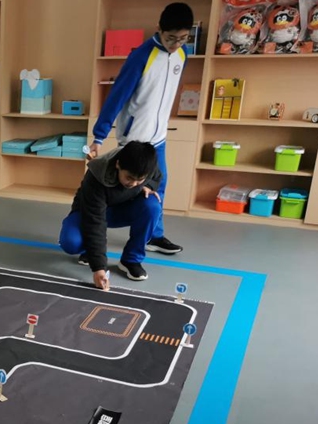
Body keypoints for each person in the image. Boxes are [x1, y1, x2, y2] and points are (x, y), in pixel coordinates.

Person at [88, 2, 194, 256]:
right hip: (134, 138)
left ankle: (152, 235)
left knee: (161, 183)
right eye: (171, 38)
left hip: (158, 137)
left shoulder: (182, 54)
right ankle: (95, 231)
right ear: (158, 29)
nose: (176, 44)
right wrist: (99, 135)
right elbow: (117, 96)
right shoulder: (142, 56)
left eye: (182, 38)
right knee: (127, 186)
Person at [59, 142, 162, 289]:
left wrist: (148, 186)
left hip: (123, 209)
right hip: (91, 211)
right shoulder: (96, 175)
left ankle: (130, 260)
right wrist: (99, 268)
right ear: (118, 165)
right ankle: (88, 250)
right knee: (71, 242)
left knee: (152, 206)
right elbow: (94, 222)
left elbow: (157, 177)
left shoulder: (147, 165)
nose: (133, 184)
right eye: (129, 178)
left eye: (139, 180)